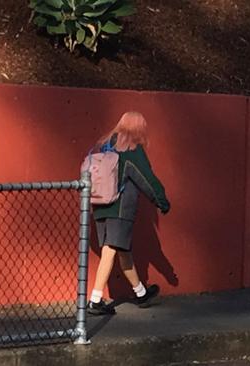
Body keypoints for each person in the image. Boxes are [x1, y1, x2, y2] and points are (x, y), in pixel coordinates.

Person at [87, 111, 171, 316]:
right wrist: (162, 201)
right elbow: (146, 178)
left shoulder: (103, 145)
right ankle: (95, 300)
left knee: (122, 249)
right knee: (111, 249)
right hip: (120, 207)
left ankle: (141, 293)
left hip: (99, 205)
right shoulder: (132, 150)